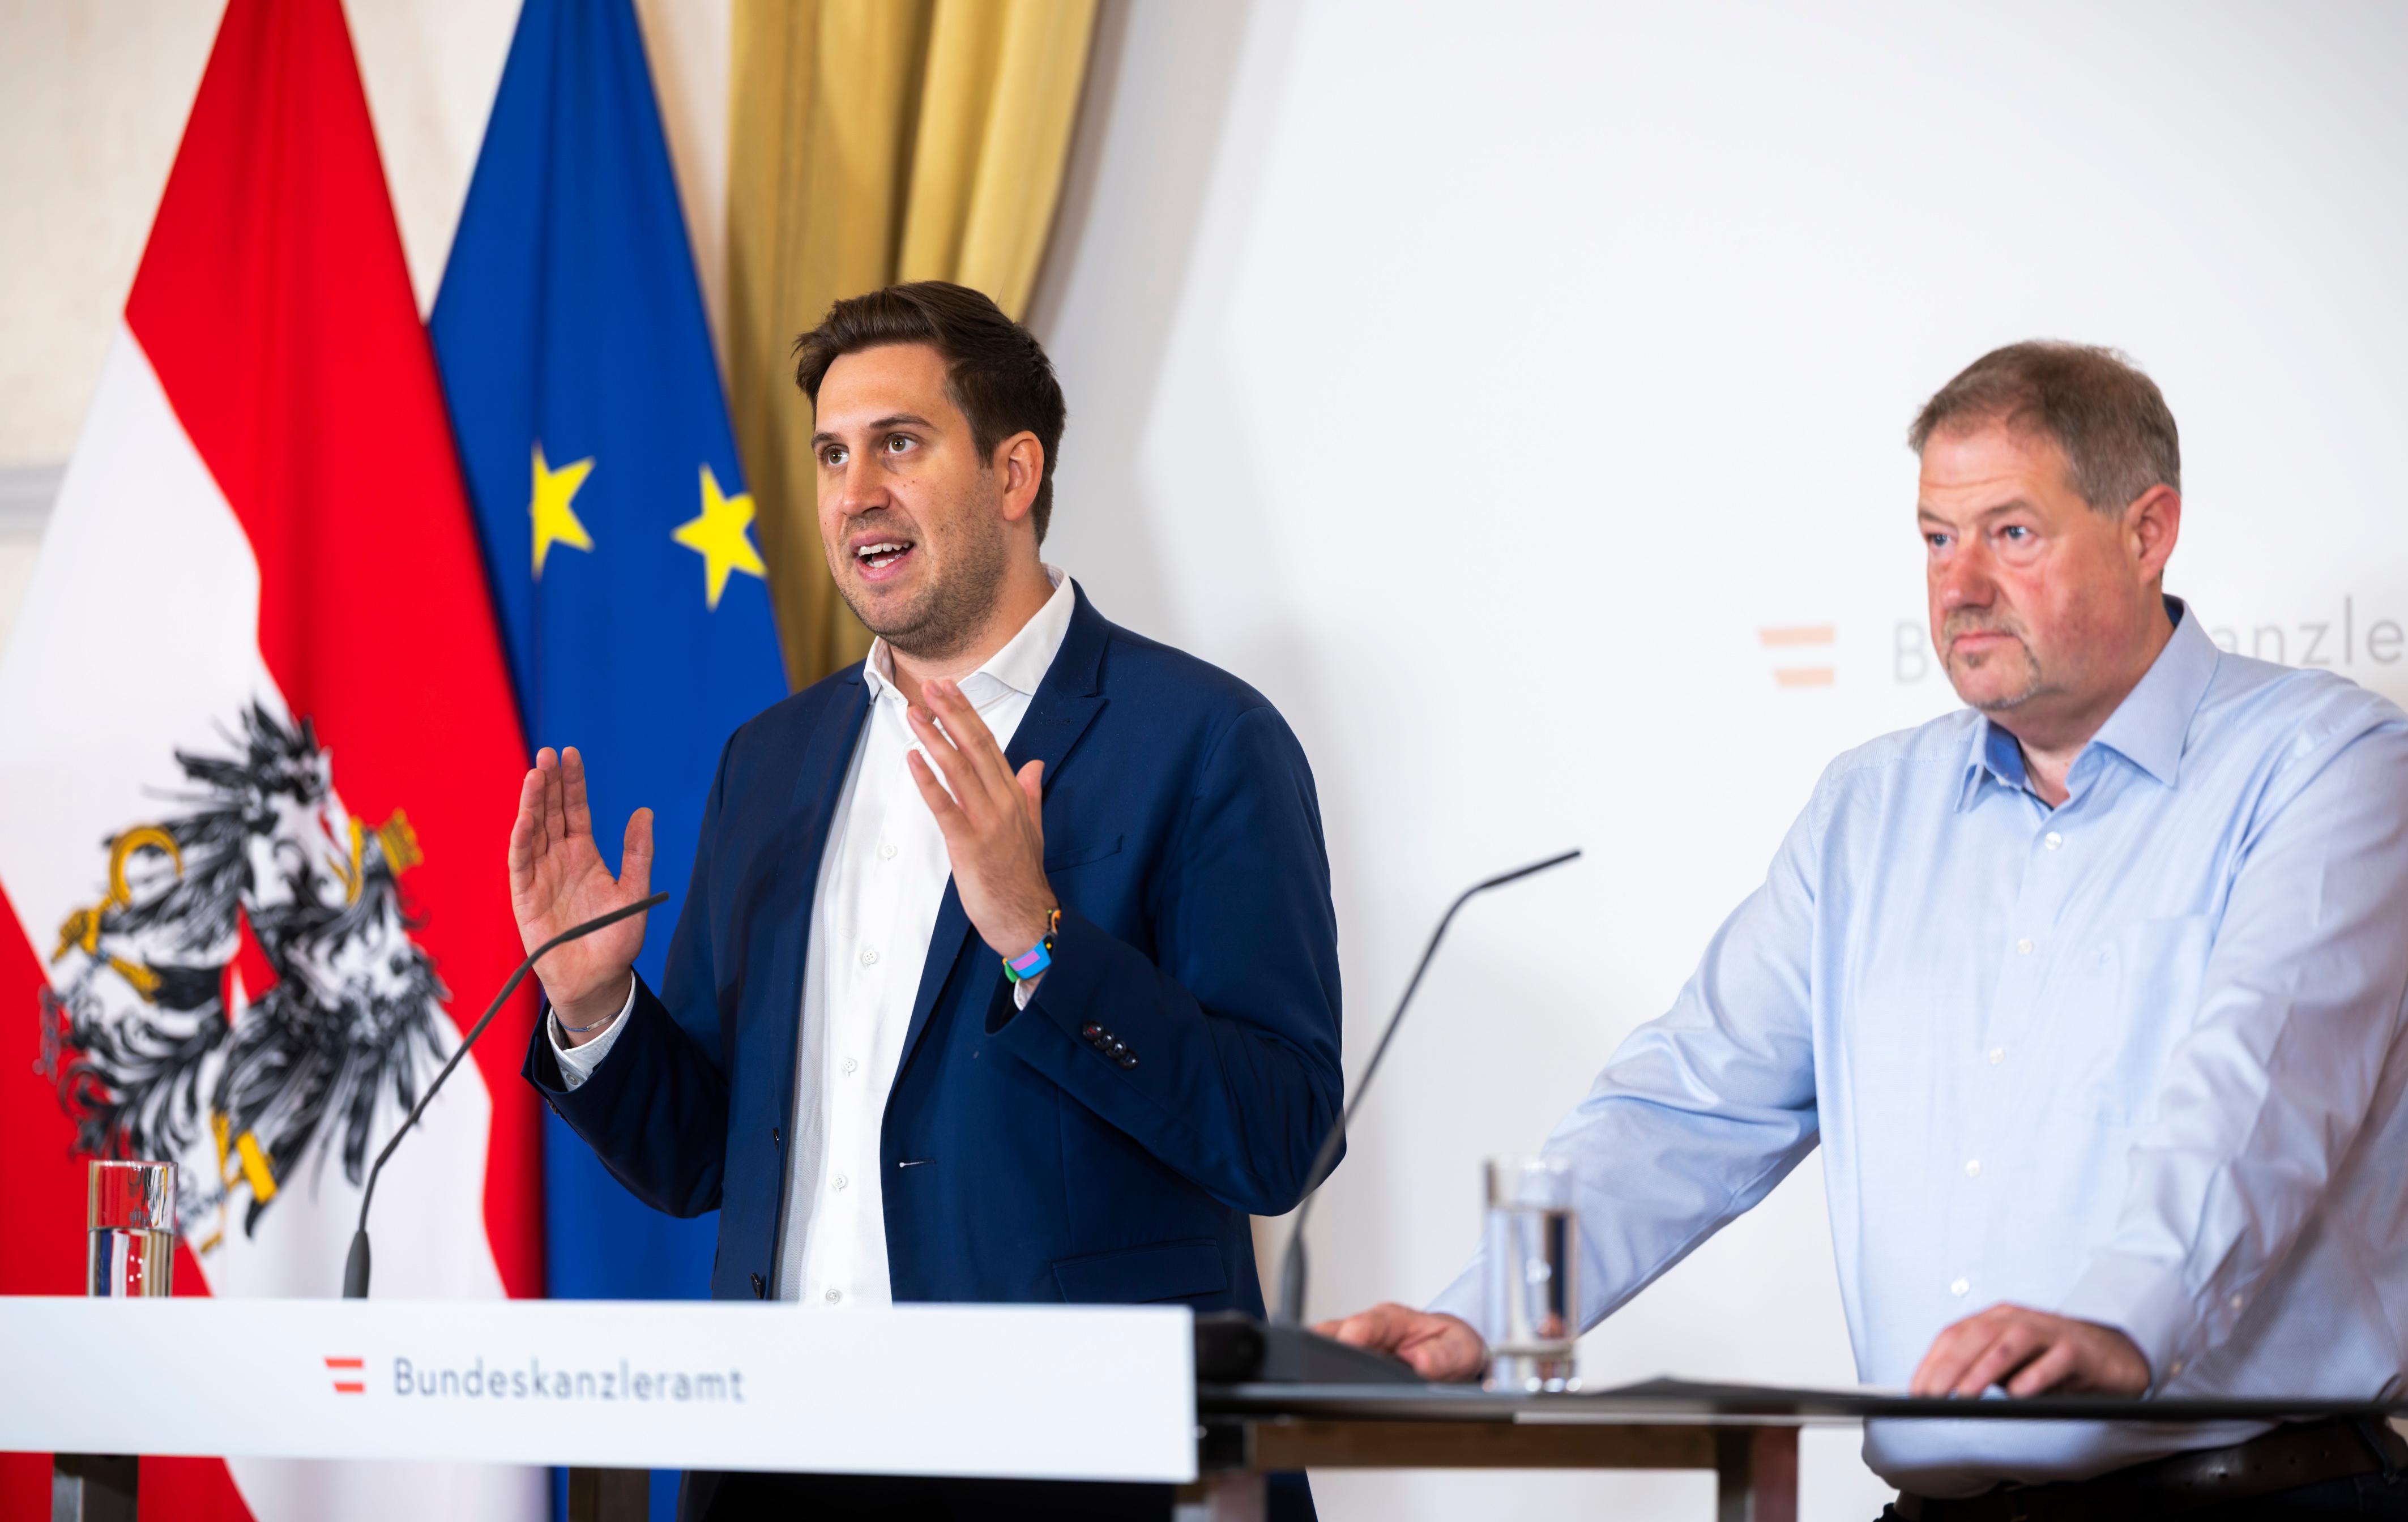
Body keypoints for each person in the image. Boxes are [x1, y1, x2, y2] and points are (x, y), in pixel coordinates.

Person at [1323, 343, 2408, 1519]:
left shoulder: (2323, 765)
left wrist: (2118, 1322)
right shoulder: (1868, 811)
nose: (1959, 588)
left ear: (2147, 532)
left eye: (2010, 533)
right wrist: (1486, 1316)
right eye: (1936, 540)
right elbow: (1686, 1106)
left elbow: (2256, 1095)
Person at [509, 281, 1341, 1520]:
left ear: (1014, 475)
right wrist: (595, 1012)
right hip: (781, 1465)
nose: (854, 493)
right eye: (832, 456)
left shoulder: (1203, 739)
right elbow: (706, 1163)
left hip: (1066, 1474)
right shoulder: (772, 762)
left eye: (898, 443)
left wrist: (1040, 946)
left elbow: (1279, 1135)